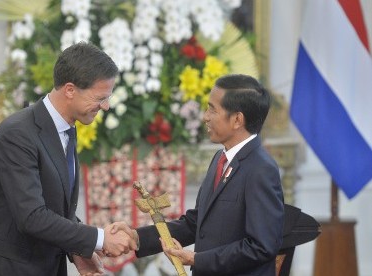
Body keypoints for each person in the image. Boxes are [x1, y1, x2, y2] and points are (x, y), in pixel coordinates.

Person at [0, 42, 137, 276]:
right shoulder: (17, 133)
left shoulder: (65, 128)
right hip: (6, 267)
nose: (105, 106)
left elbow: (56, 205)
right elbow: (32, 216)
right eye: (100, 98)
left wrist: (77, 251)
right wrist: (100, 238)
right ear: (70, 90)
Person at [114, 74, 285, 275]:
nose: (205, 116)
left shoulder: (261, 169)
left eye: (213, 109)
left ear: (237, 119)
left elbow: (261, 246)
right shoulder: (220, 159)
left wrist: (197, 259)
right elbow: (196, 223)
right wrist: (138, 238)